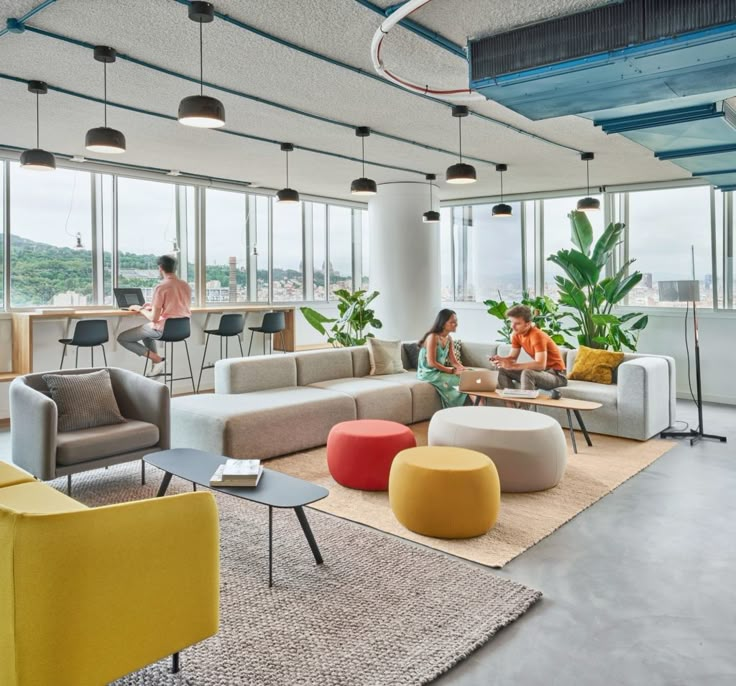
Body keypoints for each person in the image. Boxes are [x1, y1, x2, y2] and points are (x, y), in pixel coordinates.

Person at [117, 255, 192, 376]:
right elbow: (175, 308)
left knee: (123, 338)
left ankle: (157, 360)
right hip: (183, 328)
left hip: (165, 329)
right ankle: (156, 364)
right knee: (147, 334)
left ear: (160, 268)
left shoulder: (161, 287)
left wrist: (140, 308)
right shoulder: (186, 285)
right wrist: (152, 307)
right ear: (175, 268)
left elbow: (154, 318)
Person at [491, 304, 567, 391]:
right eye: (511, 322)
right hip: (541, 373)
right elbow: (512, 359)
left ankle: (524, 405)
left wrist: (514, 366)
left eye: (517, 323)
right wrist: (502, 360)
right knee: (502, 370)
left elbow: (540, 365)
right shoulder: (517, 334)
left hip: (556, 376)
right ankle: (510, 404)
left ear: (528, 324)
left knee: (528, 373)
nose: (512, 326)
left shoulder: (537, 336)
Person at [417, 309, 468, 408]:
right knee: (463, 382)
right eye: (452, 322)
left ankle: (479, 412)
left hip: (439, 371)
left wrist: (464, 370)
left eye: (456, 321)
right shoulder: (433, 337)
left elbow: (454, 361)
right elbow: (431, 363)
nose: (456, 324)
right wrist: (451, 371)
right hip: (428, 373)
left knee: (469, 378)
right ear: (443, 323)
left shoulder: (449, 339)